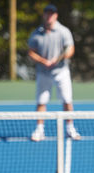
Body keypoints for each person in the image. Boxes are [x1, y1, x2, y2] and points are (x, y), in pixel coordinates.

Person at [28, 4, 80, 141]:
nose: (49, 16)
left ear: (56, 15)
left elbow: (70, 49)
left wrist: (61, 58)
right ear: (44, 15)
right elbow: (31, 52)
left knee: (67, 100)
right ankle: (39, 130)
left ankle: (70, 128)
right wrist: (43, 61)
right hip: (43, 73)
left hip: (61, 72)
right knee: (41, 102)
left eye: (52, 13)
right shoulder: (36, 33)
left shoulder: (64, 31)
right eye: (47, 13)